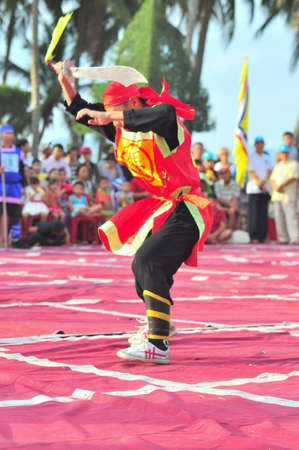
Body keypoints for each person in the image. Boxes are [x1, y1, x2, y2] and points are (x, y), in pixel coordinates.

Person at [54, 60, 213, 365]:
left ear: (132, 104)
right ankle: (161, 324)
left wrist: (109, 115)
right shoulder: (122, 132)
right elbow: (80, 110)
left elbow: (164, 112)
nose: (111, 122)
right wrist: (65, 81)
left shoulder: (166, 124)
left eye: (115, 113)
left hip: (189, 207)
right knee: (143, 267)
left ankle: (158, 343)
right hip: (165, 208)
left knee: (148, 260)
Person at [0, 124, 26, 245]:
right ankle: (1, 238)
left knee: (15, 213)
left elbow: (21, 170)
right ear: (2, 135)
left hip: (15, 186)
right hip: (1, 185)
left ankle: (15, 239)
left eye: (11, 133)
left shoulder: (17, 151)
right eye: (7, 133)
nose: (10, 136)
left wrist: (24, 186)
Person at [270, 144, 299, 244]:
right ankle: (283, 239)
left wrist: (281, 186)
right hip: (277, 195)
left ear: (289, 153)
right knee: (279, 218)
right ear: (279, 154)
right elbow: (272, 179)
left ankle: (295, 238)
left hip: (288, 195)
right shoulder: (277, 165)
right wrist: (275, 187)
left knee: (291, 217)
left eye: (286, 152)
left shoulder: (294, 164)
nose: (285, 154)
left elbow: (293, 177)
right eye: (283, 153)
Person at [246, 137, 272, 243]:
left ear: (264, 144)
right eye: (258, 143)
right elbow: (251, 172)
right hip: (254, 189)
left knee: (263, 213)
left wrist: (265, 183)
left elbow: (270, 171)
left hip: (265, 189)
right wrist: (259, 183)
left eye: (261, 143)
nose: (260, 145)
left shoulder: (267, 157)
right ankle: (254, 236)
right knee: (254, 214)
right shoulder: (251, 157)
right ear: (255, 145)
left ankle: (263, 235)